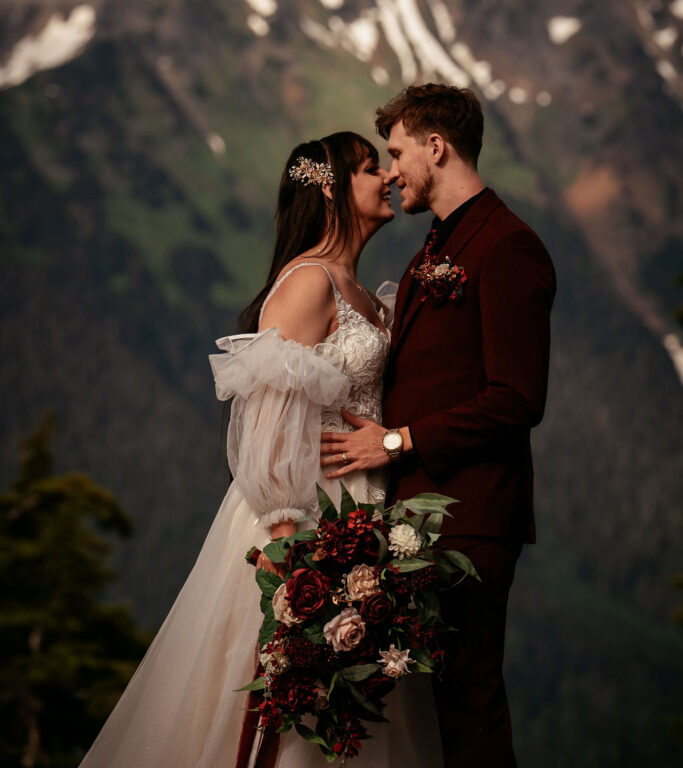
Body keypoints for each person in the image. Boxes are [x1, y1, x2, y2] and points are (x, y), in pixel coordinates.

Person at [78, 130, 443, 768]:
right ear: (331, 193)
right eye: (367, 168)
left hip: (365, 517)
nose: (385, 176)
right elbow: (268, 422)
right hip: (306, 518)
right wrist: (288, 551)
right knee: (285, 705)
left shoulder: (363, 295)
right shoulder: (308, 284)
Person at [320, 85, 556, 767]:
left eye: (396, 153)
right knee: (428, 708)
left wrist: (395, 441)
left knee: (468, 699)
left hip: (470, 515)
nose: (391, 171)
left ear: (435, 146)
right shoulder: (434, 245)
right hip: (418, 513)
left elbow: (515, 397)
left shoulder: (507, 245)